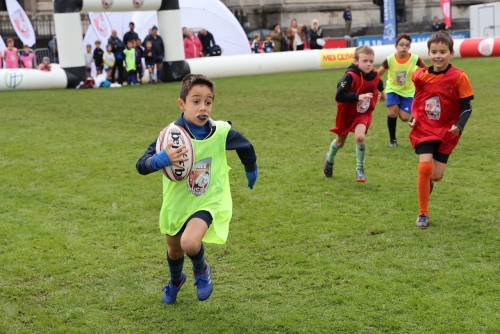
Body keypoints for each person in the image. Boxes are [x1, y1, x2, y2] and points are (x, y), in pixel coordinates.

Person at [135, 74, 258, 304]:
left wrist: (251, 169)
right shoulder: (170, 136)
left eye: (208, 102)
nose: (203, 107)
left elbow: (246, 147)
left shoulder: (220, 131)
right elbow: (141, 165)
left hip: (207, 199)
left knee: (189, 243)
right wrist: (160, 159)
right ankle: (175, 281)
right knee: (174, 251)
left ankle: (201, 271)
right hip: (177, 203)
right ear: (182, 103)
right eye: (196, 101)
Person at [408, 31, 474, 229]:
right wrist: (414, 117)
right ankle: (423, 213)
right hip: (425, 127)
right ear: (429, 53)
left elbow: (467, 106)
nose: (438, 55)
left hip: (447, 130)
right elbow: (418, 100)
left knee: (435, 175)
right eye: (434, 51)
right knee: (424, 166)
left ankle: (430, 183)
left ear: (451, 53)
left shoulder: (459, 77)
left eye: (443, 52)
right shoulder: (420, 76)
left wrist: (459, 125)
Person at [323, 45, 386, 182]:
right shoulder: (349, 77)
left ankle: (359, 168)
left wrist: (383, 92)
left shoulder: (373, 73)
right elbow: (339, 96)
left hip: (363, 112)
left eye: (371, 61)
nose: (368, 64)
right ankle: (329, 160)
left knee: (359, 138)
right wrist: (358, 97)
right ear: (356, 62)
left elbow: (378, 81)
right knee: (340, 143)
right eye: (365, 61)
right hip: (347, 113)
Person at [377, 34, 427, 147]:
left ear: (409, 47)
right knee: (392, 113)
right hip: (392, 90)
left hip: (408, 92)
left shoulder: (415, 58)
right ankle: (392, 140)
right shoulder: (390, 59)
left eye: (407, 45)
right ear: (396, 46)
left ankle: (397, 106)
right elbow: (377, 74)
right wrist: (381, 90)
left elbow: (426, 70)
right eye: (401, 44)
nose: (404, 47)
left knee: (405, 118)